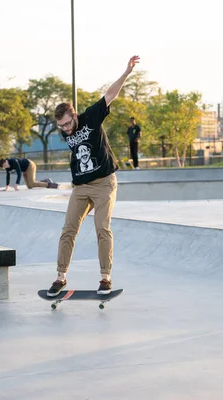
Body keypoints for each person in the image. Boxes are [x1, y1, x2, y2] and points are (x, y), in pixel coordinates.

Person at [47, 55, 140, 297]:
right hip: (80, 187)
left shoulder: (91, 117)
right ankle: (60, 276)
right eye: (62, 127)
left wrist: (126, 72)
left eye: (68, 124)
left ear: (74, 115)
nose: (66, 130)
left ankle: (105, 277)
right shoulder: (65, 131)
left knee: (102, 228)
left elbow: (110, 95)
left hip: (103, 183)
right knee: (68, 229)